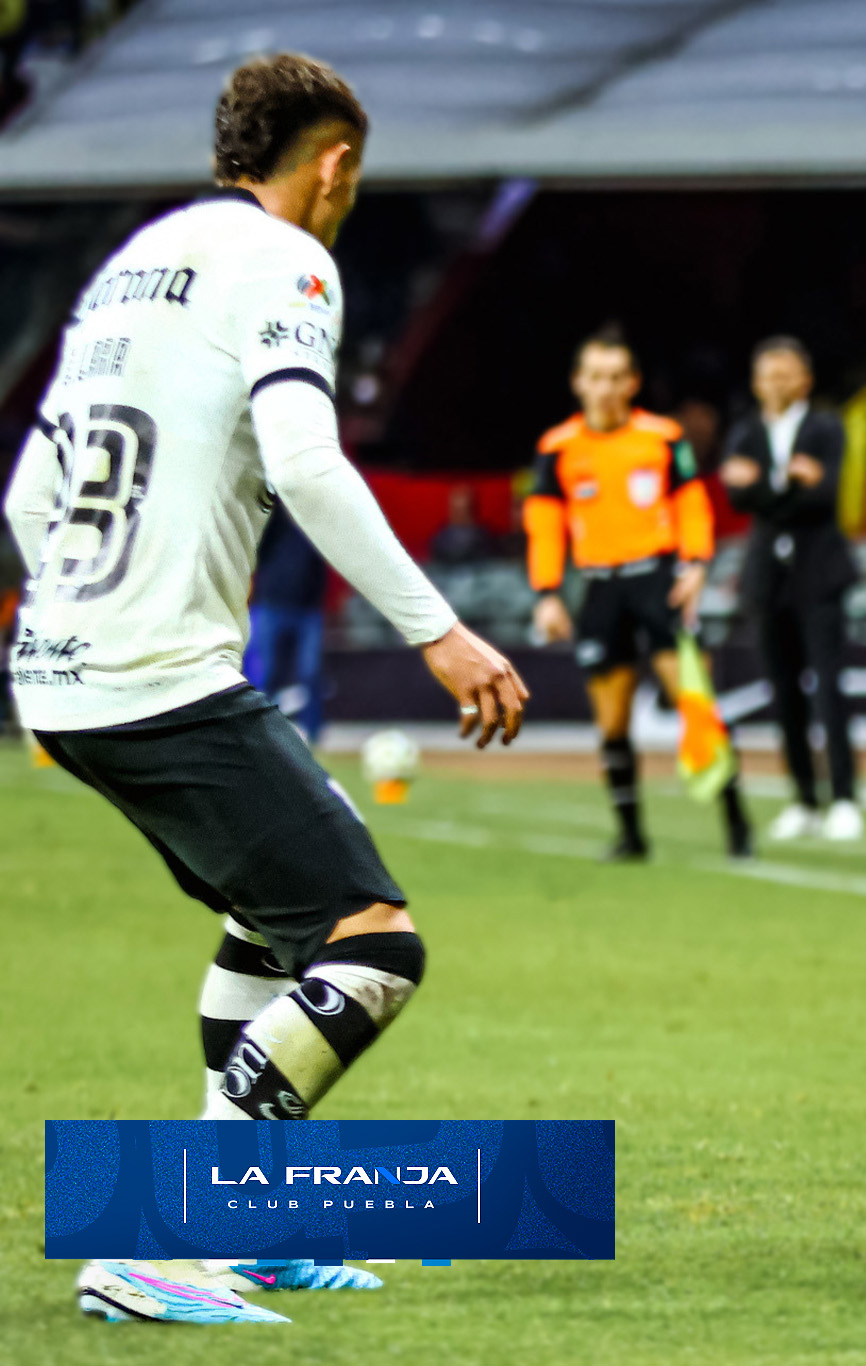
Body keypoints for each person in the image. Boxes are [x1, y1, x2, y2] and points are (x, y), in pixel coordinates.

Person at [2, 53, 529, 1324]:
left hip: (65, 666)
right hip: (153, 673)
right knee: (372, 940)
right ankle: (164, 1241)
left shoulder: (135, 263)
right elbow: (306, 461)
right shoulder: (289, 261)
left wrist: (89, 602)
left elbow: (26, 493)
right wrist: (441, 632)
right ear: (334, 162)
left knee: (267, 923)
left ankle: (256, 1230)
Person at [524, 329, 750, 861]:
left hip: (659, 584)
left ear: (633, 383)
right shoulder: (557, 448)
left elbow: (693, 504)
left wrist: (695, 564)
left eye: (616, 377)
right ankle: (631, 836)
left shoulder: (663, 437)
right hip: (600, 590)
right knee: (612, 720)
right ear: (579, 382)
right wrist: (548, 593)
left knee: (695, 705)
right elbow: (545, 525)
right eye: (595, 377)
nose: (606, 388)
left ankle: (737, 826)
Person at [720, 336, 862, 842]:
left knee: (827, 687)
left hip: (819, 575)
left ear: (805, 379)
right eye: (767, 374)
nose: (776, 383)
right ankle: (803, 799)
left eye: (786, 374)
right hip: (767, 580)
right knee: (783, 693)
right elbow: (737, 496)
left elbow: (822, 496)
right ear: (756, 382)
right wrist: (786, 482)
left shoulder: (826, 426)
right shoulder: (745, 431)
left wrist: (764, 485)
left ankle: (843, 799)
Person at [245, 509, 329, 738]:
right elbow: (253, 554)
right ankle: (258, 728)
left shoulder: (317, 520)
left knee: (310, 673)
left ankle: (313, 733)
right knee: (265, 673)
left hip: (309, 608)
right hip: (271, 604)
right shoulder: (272, 518)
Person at [428, 483, 496, 565]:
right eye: (457, 510)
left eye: (464, 510)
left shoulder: (484, 537)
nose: (460, 515)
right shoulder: (440, 538)